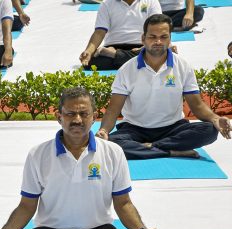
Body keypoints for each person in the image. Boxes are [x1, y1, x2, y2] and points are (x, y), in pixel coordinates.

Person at [0, 87, 160, 229]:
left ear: (94, 117)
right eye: (70, 114)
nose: (77, 120)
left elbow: (123, 203)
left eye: (84, 114)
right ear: (59, 117)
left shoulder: (113, 152)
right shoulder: (38, 154)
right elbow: (27, 206)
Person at [96, 15, 230, 159]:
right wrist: (104, 130)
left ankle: (147, 148)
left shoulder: (183, 66)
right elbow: (113, 109)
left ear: (170, 38)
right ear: (143, 39)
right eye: (152, 37)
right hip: (135, 129)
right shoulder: (126, 69)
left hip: (173, 128)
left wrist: (215, 119)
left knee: (209, 130)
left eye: (163, 37)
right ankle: (170, 150)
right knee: (108, 144)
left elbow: (197, 105)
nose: (158, 41)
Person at [79, 0, 161, 71]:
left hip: (141, 47)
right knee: (90, 63)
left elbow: (157, 29)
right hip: (114, 46)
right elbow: (99, 32)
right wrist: (89, 51)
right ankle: (133, 59)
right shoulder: (107, 3)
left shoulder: (151, 1)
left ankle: (115, 55)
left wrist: (146, 47)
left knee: (157, 55)